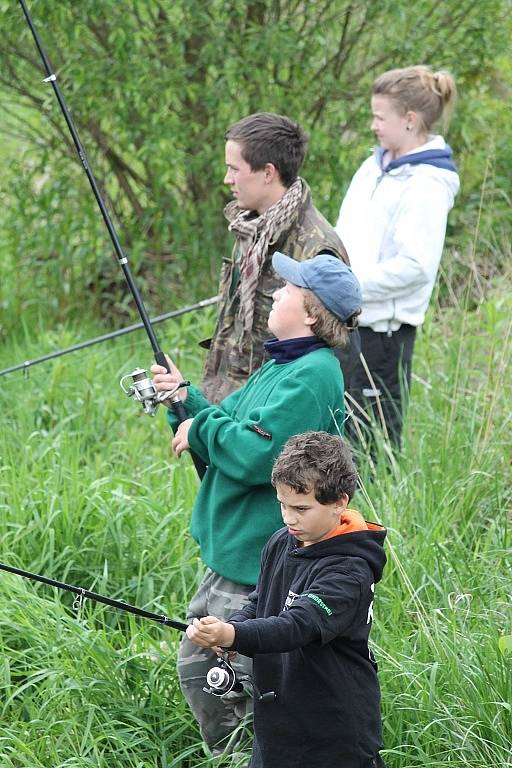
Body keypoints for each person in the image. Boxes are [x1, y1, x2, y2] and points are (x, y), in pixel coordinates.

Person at [152, 252, 362, 755]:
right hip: (231, 551)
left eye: (287, 290)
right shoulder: (281, 364)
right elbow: (229, 421)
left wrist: (200, 427)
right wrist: (184, 399)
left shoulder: (313, 374)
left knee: (225, 677)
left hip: (254, 557)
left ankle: (254, 757)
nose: (275, 294)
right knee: (203, 669)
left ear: (311, 312)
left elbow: (258, 455)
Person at [186, 430, 387, 768]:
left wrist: (233, 635)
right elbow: (262, 601)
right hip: (278, 723)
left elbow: (297, 625)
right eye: (282, 504)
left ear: (340, 501)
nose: (288, 517)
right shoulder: (283, 541)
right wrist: (232, 628)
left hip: (334, 732)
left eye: (301, 508)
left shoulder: (350, 570)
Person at [335, 65, 459, 449]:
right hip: (345, 321)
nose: (373, 125)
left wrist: (348, 285)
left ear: (409, 120)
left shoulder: (427, 184)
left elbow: (416, 266)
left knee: (371, 448)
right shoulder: (373, 167)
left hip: (382, 336)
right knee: (336, 436)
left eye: (379, 117)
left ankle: (374, 511)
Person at [202, 111, 353, 405]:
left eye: (234, 169)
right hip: (228, 401)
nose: (226, 179)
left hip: (271, 412)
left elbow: (327, 358)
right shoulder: (249, 227)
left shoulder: (316, 248)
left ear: (268, 172)